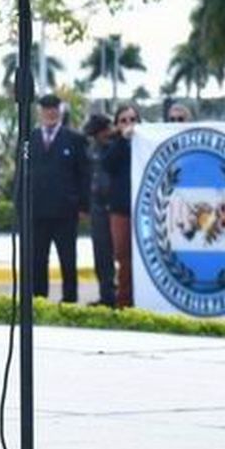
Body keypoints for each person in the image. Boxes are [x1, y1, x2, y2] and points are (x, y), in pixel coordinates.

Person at [29, 94, 90, 304]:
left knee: (68, 260)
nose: (50, 112)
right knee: (37, 260)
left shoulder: (74, 139)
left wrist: (83, 206)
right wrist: (21, 207)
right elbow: (22, 174)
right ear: (40, 111)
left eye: (54, 108)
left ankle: (70, 301)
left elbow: (84, 175)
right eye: (46, 108)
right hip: (37, 212)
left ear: (60, 110)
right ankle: (38, 301)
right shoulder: (30, 138)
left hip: (65, 213)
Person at [103, 103, 139, 307]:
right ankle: (124, 302)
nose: (128, 124)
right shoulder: (113, 144)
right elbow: (107, 165)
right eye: (123, 120)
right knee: (123, 257)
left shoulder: (146, 142)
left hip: (144, 209)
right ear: (116, 125)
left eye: (132, 119)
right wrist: (122, 140)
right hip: (121, 210)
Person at [83, 112, 117, 306]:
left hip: (116, 206)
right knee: (101, 254)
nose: (102, 135)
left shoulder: (117, 147)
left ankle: (122, 296)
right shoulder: (90, 150)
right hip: (97, 207)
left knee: (120, 253)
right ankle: (106, 296)